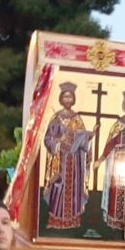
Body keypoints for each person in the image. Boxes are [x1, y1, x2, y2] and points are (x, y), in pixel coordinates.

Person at [43, 82, 94, 230]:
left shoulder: (77, 119)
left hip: (75, 162)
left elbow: (83, 141)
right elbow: (48, 140)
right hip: (60, 161)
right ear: (61, 98)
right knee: (58, 187)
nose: (67, 99)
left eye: (70, 97)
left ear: (73, 99)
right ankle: (55, 220)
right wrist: (59, 140)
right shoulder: (56, 119)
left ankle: (72, 220)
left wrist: (89, 136)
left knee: (74, 189)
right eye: (65, 96)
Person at [96, 89, 125, 230]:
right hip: (117, 163)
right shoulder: (118, 124)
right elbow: (110, 143)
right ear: (124, 105)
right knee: (115, 191)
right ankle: (114, 222)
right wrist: (101, 159)